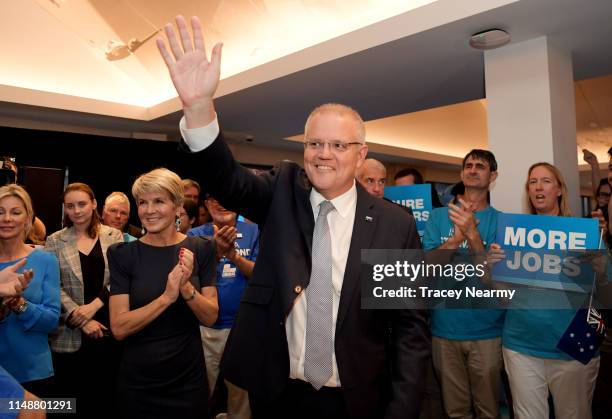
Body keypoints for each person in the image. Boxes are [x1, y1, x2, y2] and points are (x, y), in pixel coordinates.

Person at [158, 16, 430, 419]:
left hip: (357, 398)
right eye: (316, 142)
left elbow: (410, 332)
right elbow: (230, 181)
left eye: (339, 144)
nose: (324, 153)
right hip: (279, 394)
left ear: (361, 153)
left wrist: (402, 409)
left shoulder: (395, 225)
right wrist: (199, 108)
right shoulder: (283, 191)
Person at [491, 162, 600, 419]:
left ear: (560, 189)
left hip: (573, 347)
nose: (538, 186)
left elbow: (605, 291)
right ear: (528, 191)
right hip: (521, 345)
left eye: (546, 181)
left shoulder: (584, 235)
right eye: (532, 182)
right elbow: (502, 296)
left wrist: (602, 268)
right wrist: (490, 270)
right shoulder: (513, 236)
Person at [108, 168, 218, 419]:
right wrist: (166, 298)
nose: (149, 210)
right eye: (142, 203)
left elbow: (211, 316)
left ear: (178, 206)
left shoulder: (202, 248)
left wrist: (186, 287)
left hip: (188, 381)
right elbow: (119, 327)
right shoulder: (122, 254)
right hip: (139, 383)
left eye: (159, 201)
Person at [423, 150, 505, 419]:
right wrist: (455, 239)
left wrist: (472, 235)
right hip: (444, 329)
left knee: (489, 410)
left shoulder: (504, 222)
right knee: (455, 411)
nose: (472, 170)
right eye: (468, 165)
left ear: (492, 176)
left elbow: (490, 278)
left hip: (488, 331)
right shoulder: (437, 217)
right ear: (461, 174)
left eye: (480, 166)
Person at [45, 183, 123, 417]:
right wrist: (82, 319)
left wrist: (94, 306)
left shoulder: (114, 235)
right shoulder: (55, 240)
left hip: (108, 331)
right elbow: (52, 287)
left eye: (82, 204)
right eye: (70, 206)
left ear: (94, 204)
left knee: (103, 401)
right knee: (68, 405)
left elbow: (122, 278)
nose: (77, 210)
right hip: (70, 333)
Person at [189, 196, 259, 419]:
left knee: (241, 394)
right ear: (207, 204)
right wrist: (216, 252)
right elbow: (189, 280)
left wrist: (233, 256)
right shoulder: (194, 234)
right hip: (203, 327)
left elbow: (262, 275)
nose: (221, 202)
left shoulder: (254, 231)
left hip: (242, 327)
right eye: (214, 198)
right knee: (201, 391)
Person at [0, 185, 60, 398]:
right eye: (0, 211)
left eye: (15, 212)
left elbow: (52, 321)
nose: (7, 218)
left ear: (28, 219)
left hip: (33, 375)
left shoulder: (45, 260)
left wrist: (17, 303)